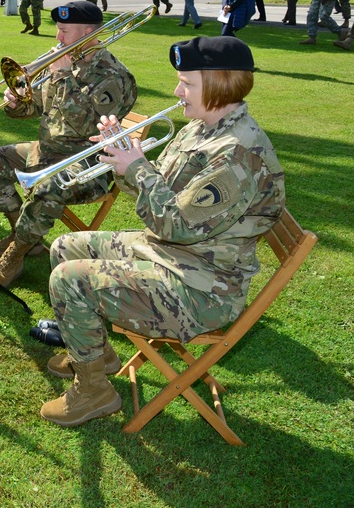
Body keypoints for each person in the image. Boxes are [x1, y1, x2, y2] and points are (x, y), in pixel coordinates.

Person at [39, 36, 285, 428]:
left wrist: (137, 167)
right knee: (65, 246)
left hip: (201, 287)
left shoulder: (238, 154)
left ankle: (94, 392)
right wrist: (120, 154)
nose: (177, 91)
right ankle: (97, 357)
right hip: (172, 254)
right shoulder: (203, 127)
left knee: (70, 279)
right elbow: (162, 198)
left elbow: (179, 225)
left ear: (220, 83)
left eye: (186, 83)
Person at [0, 0, 138, 286]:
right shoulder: (64, 62)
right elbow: (36, 108)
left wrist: (62, 77)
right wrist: (16, 103)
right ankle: (23, 236)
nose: (58, 38)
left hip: (87, 162)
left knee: (49, 188)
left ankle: (13, 258)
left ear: (89, 32)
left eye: (64, 31)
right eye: (58, 30)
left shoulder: (115, 76)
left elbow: (87, 125)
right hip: (47, 152)